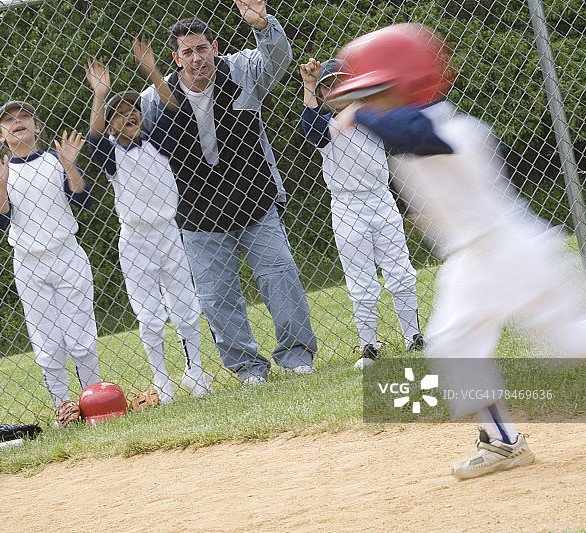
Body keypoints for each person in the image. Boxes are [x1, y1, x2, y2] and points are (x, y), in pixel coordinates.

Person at [329, 23, 586, 479]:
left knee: (571, 342)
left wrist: (361, 114)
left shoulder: (449, 127)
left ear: (408, 84)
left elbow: (416, 133)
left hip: (513, 253)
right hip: (471, 261)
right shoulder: (408, 128)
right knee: (452, 344)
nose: (367, 103)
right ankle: (504, 444)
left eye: (377, 92)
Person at [139, 0, 317, 385]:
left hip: (254, 198)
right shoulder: (153, 99)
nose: (197, 58)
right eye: (187, 52)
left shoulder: (241, 70)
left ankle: (297, 356)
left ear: (215, 48)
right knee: (217, 297)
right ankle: (248, 369)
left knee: (280, 275)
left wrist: (264, 25)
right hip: (198, 214)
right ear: (176, 58)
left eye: (202, 48)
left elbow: (277, 59)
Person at [86, 38, 212, 403]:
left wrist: (152, 72)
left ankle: (195, 371)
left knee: (186, 306)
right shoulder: (111, 155)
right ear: (111, 125)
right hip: (136, 239)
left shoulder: (157, 140)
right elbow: (94, 137)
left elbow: (174, 111)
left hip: (168, 233)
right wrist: (100, 95)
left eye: (133, 109)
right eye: (119, 113)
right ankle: (163, 382)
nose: (129, 115)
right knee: (150, 315)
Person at [299, 57, 424, 369]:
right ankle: (368, 344)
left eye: (341, 84)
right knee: (361, 280)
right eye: (329, 87)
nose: (336, 91)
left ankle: (414, 337)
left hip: (382, 200)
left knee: (400, 271)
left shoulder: (373, 120)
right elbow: (310, 128)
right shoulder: (326, 127)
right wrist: (310, 85)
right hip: (346, 206)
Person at [0, 101, 101, 414]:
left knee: (81, 339)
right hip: (29, 263)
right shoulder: (1, 172)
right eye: (8, 121)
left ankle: (93, 402)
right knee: (48, 344)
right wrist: (1, 182)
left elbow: (83, 199)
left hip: (67, 254)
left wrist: (70, 165)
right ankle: (64, 408)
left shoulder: (55, 160)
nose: (17, 122)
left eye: (24, 117)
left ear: (37, 127)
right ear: (0, 135)